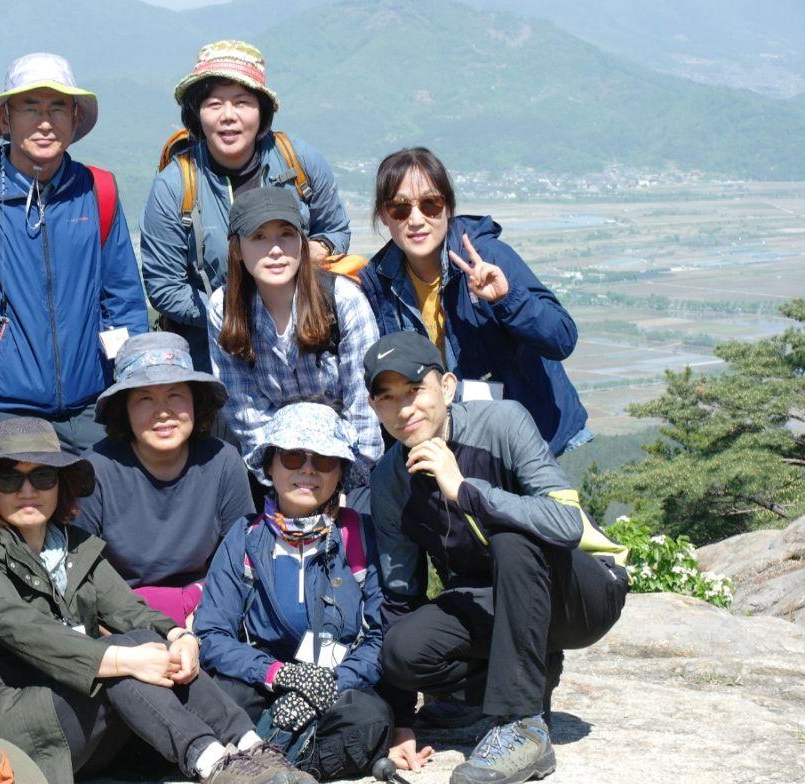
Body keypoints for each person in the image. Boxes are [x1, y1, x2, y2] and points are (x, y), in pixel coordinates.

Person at [0, 417, 317, 784]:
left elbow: (129, 609)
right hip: (21, 725)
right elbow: (28, 632)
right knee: (123, 653)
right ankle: (211, 765)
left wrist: (177, 636)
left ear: (61, 483)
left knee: (141, 641)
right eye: (9, 479)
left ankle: (251, 746)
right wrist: (122, 658)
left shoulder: (74, 546)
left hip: (84, 716)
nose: (28, 491)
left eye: (43, 477)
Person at [365, 332, 629, 784]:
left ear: (446, 387)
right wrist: (400, 720)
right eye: (387, 398)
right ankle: (524, 677)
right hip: (498, 602)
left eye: (414, 390)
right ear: (374, 408)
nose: (403, 409)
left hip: (581, 595)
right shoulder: (390, 480)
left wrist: (464, 489)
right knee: (402, 652)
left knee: (513, 539)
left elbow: (566, 523)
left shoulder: (502, 422)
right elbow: (399, 596)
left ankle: (521, 724)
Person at [0, 53, 148, 462]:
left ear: (75, 118)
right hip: (3, 414)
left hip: (94, 410)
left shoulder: (98, 191)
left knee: (101, 525)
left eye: (57, 108)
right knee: (19, 524)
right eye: (30, 107)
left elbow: (123, 302)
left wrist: (132, 394)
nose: (45, 122)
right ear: (5, 120)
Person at [194, 402, 395, 780]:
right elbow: (212, 633)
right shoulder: (243, 538)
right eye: (292, 456)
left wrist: (332, 684)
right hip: (262, 680)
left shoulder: (362, 535)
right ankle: (292, 756)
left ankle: (264, 762)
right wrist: (280, 675)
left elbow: (381, 633)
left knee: (370, 718)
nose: (307, 469)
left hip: (339, 683)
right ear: (269, 466)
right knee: (222, 700)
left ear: (341, 473)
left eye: (323, 460)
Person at [357, 147, 591, 457]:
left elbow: (562, 338)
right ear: (384, 216)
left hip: (531, 443)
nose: (416, 219)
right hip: (456, 448)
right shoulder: (379, 283)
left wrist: (508, 300)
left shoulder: (486, 257)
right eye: (400, 208)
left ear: (448, 208)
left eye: (430, 204)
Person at [141, 39, 350, 373]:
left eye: (241, 102)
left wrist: (315, 250)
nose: (228, 116)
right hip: (215, 351)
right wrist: (233, 313)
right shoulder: (175, 186)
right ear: (196, 112)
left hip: (305, 344)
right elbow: (165, 287)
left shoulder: (300, 163)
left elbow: (335, 230)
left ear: (261, 110)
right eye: (214, 104)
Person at [208, 187, 382, 492]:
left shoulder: (343, 301)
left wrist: (342, 482)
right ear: (237, 248)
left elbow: (365, 407)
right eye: (258, 237)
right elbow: (246, 412)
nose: (275, 249)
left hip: (344, 469)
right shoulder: (224, 309)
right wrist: (285, 483)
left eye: (286, 235)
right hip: (277, 471)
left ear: (302, 242)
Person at [75, 331, 254, 627]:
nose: (163, 412)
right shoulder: (95, 471)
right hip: (122, 619)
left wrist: (205, 615)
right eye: (145, 398)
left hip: (208, 611)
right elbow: (80, 574)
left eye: (175, 395)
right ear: (124, 409)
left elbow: (239, 560)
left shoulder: (224, 461)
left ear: (196, 403)